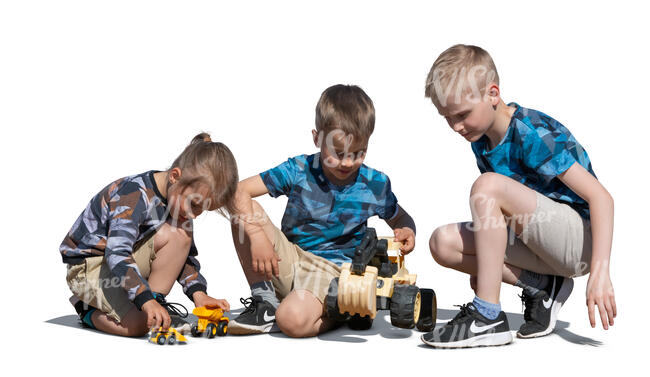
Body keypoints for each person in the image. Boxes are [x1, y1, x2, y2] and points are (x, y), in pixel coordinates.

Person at [421, 44, 616, 348]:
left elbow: (601, 198)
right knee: (441, 243)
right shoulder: (482, 141)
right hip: (541, 241)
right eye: (447, 117)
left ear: (492, 94)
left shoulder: (530, 132)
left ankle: (487, 317)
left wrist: (601, 271)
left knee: (487, 186)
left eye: (462, 114)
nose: (456, 126)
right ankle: (543, 288)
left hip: (580, 241)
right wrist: (487, 268)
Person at [228, 84, 417, 337]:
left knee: (291, 321)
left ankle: (342, 309)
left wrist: (407, 230)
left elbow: (401, 218)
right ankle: (265, 302)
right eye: (338, 153)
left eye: (358, 153)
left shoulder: (374, 184)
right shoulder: (298, 169)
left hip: (332, 270)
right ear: (317, 138)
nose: (347, 162)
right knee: (244, 208)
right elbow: (238, 191)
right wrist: (257, 235)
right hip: (288, 257)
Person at [61, 132, 238, 337]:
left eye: (202, 209)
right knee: (137, 327)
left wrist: (199, 294)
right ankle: (86, 310)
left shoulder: (178, 203)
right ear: (175, 176)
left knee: (181, 233)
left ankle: (155, 300)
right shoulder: (135, 195)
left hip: (122, 264)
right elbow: (117, 252)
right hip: (89, 267)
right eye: (194, 204)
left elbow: (184, 256)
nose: (194, 215)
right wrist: (144, 300)